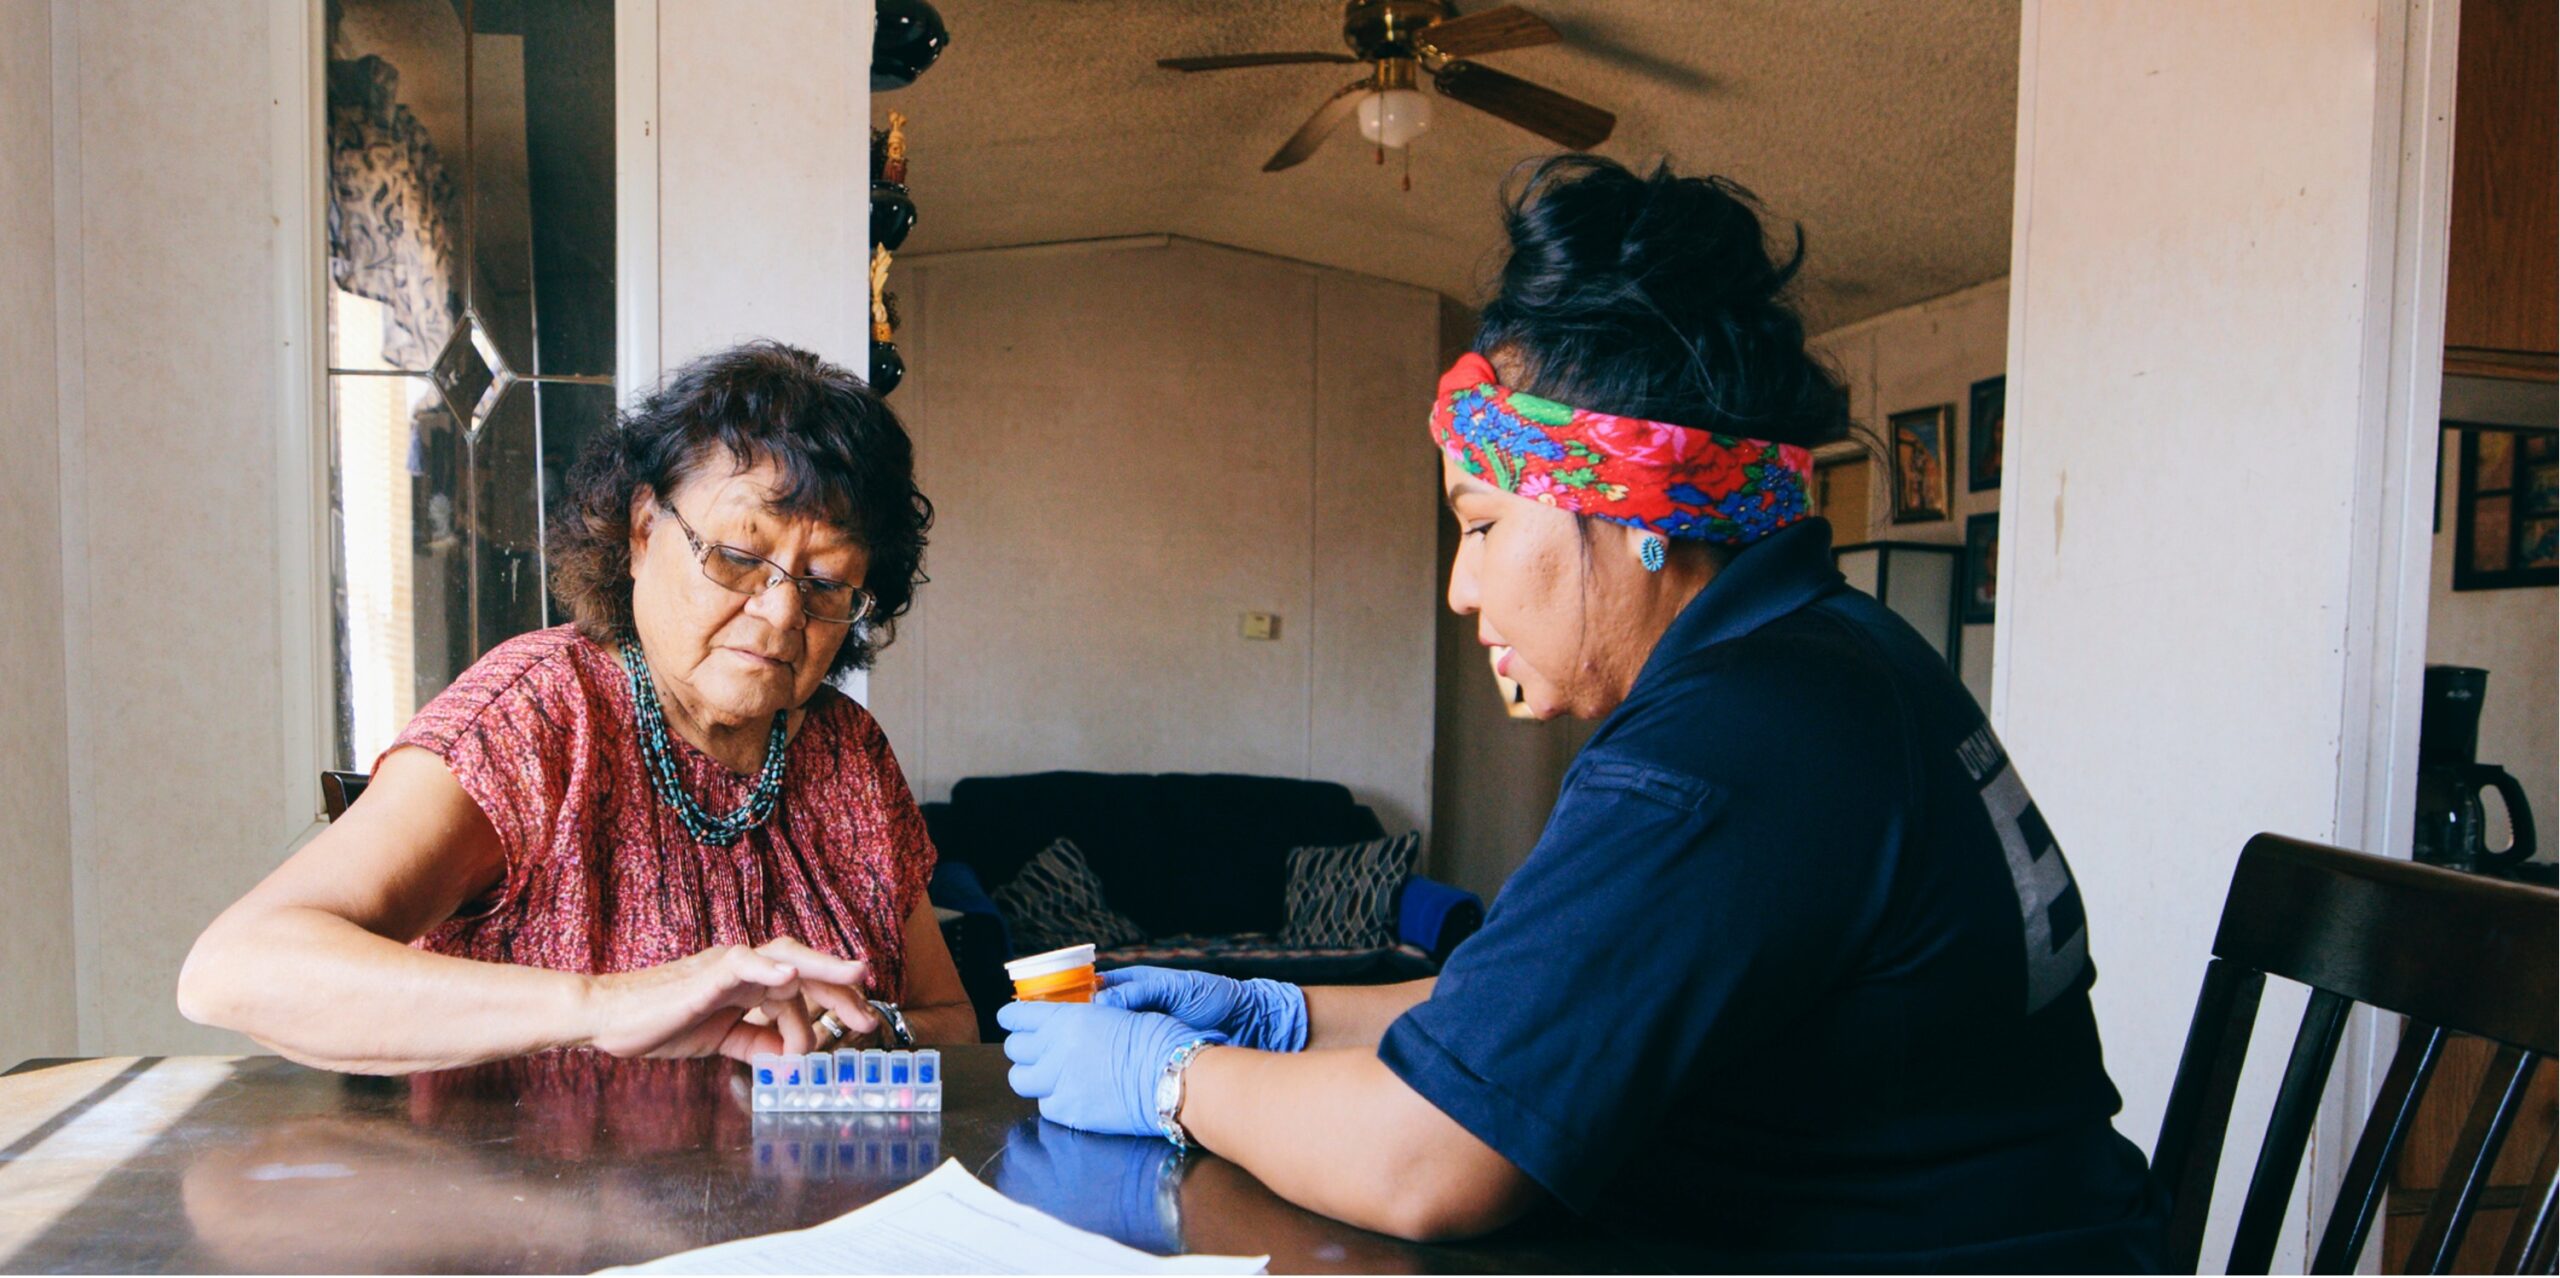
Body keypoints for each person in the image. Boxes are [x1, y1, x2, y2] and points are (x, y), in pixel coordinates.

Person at [998, 158, 2164, 1270]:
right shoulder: (1823, 658)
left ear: (1637, 510)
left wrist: (1172, 1076)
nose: (1462, 587)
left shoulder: (1724, 747)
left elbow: (1426, 1159)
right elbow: (1518, 1003)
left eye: (1486, 525)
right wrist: (1277, 1013)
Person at [180, 341, 973, 1073]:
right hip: (543, 1212)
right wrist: (607, 1004)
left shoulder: (847, 751)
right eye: (737, 556)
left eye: (827, 581)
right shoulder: (537, 719)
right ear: (640, 531)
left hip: (813, 1206)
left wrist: (863, 1029)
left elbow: (950, 1018)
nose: (780, 614)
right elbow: (238, 968)